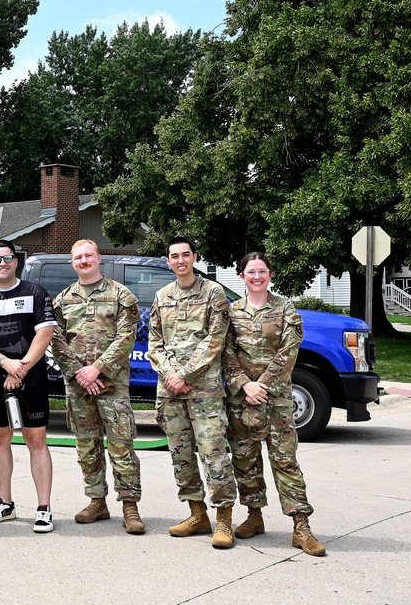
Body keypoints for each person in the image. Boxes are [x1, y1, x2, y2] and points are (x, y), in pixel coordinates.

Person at [222, 251, 326, 556]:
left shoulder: (285, 308)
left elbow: (289, 351)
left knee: (285, 460)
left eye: (262, 271)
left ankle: (301, 526)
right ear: (242, 276)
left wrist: (262, 385)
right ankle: (254, 517)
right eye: (251, 272)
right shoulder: (232, 313)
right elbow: (226, 354)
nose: (257, 277)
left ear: (270, 275)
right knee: (244, 459)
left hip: (276, 400)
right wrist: (245, 385)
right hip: (242, 399)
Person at [148, 236, 238, 549]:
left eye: (186, 254)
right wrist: (171, 375)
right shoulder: (161, 296)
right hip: (171, 392)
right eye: (175, 256)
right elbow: (154, 344)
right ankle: (197, 514)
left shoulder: (213, 292)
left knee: (213, 453)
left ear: (194, 257)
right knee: (180, 455)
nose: (181, 260)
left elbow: (216, 340)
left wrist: (185, 374)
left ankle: (224, 519)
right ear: (168, 261)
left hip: (205, 391)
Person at [0, 239, 57, 533]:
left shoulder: (35, 292)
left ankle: (43, 508)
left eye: (7, 258)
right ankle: (5, 503)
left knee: (36, 441)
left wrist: (21, 367)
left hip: (33, 378)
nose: (1, 264)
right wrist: (7, 364)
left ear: (16, 261)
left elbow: (45, 333)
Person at [51, 240, 145, 534]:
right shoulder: (62, 300)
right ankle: (96, 501)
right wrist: (80, 373)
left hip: (112, 384)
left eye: (88, 255)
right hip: (79, 386)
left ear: (98, 258)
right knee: (86, 447)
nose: (83, 260)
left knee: (121, 446)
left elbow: (126, 337)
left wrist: (97, 370)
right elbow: (56, 341)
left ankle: (130, 506)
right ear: (72, 263)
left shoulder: (121, 295)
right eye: (78, 257)